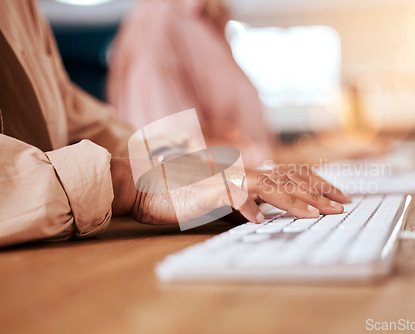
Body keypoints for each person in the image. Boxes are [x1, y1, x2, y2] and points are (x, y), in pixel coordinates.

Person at [0, 0, 350, 248]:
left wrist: (203, 172)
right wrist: (136, 183)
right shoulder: (159, 27)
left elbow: (75, 117)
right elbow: (160, 133)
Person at [107, 0, 272, 168]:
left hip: (244, 186)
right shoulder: (159, 26)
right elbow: (170, 160)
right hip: (225, 190)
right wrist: (262, 160)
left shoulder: (204, 20)